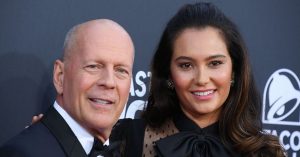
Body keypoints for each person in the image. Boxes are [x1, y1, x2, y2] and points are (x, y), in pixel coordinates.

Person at [110, 2, 286, 157]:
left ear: (234, 71)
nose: (201, 79)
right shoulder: (128, 139)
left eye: (215, 63)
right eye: (186, 65)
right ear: (169, 73)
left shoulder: (266, 152)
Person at [0, 19, 134, 157]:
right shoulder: (23, 153)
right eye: (93, 67)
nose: (109, 82)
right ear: (60, 76)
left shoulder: (122, 152)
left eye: (121, 71)